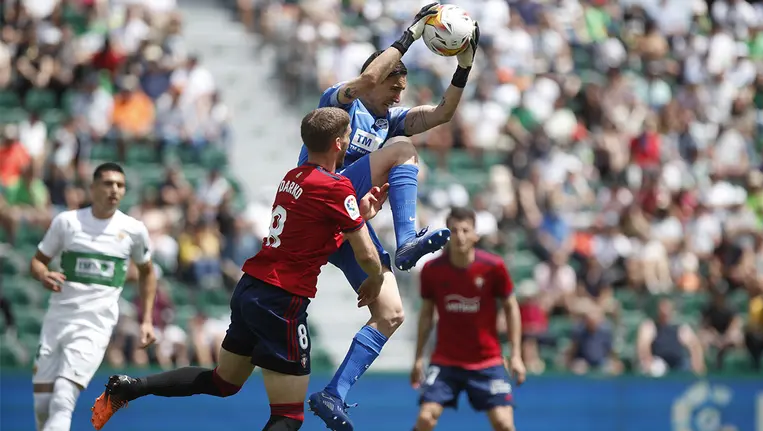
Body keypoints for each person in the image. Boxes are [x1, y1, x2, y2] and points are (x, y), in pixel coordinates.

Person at [89, 107, 388, 431]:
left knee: (224, 382)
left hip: (251, 288)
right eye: (346, 137)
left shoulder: (292, 178)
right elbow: (368, 256)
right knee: (288, 416)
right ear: (339, 144)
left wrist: (357, 216)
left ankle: (131, 387)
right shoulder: (336, 186)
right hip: (281, 301)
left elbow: (309, 236)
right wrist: (375, 279)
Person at [304, 5, 481, 428]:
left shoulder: (391, 120)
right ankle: (406, 241)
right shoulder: (339, 101)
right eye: (392, 88)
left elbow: (442, 113)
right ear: (375, 78)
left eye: (402, 90)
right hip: (317, 202)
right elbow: (366, 80)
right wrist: (412, 34)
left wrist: (464, 66)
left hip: (347, 224)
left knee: (392, 313)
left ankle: (334, 394)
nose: (398, 96)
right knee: (403, 152)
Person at [30, 162, 158, 431]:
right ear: (93, 187)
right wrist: (43, 275)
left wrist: (146, 320)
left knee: (63, 398)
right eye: (108, 183)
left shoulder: (133, 230)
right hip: (57, 321)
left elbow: (148, 272)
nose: (114, 190)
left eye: (120, 185)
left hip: (95, 325)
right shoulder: (67, 222)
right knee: (43, 406)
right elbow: (38, 261)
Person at [409, 207, 526, 431]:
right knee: (425, 418)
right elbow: (426, 314)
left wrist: (517, 356)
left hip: (487, 361)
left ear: (476, 235)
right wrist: (418, 359)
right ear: (446, 235)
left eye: (465, 230)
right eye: (453, 230)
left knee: (504, 423)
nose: (460, 236)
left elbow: (511, 307)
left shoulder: (493, 267)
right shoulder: (432, 270)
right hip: (446, 361)